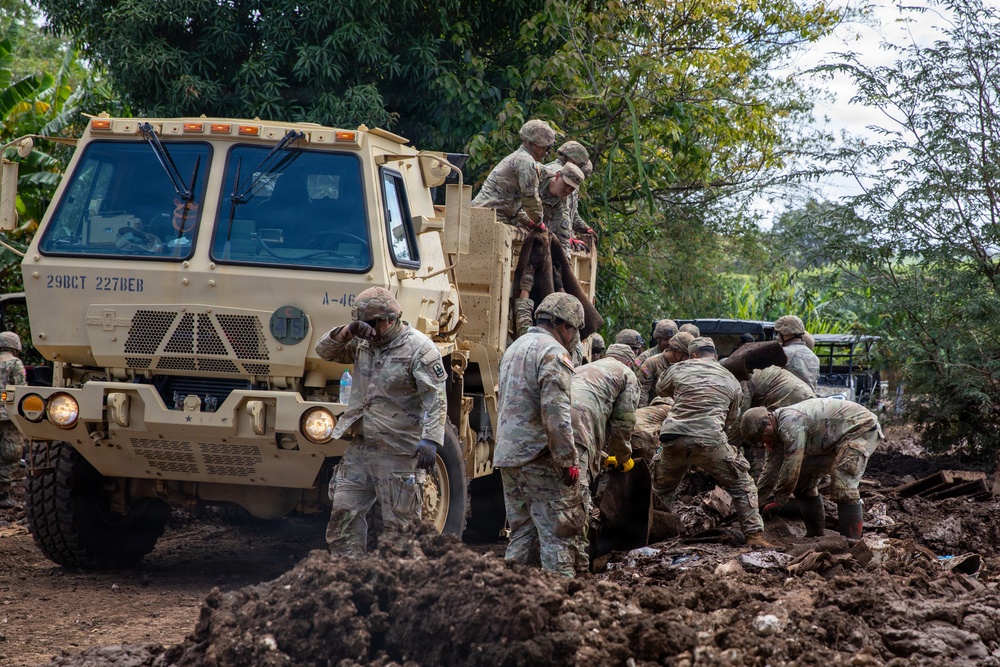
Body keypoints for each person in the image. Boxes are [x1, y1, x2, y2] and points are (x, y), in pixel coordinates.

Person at [315, 287, 448, 557]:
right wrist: (349, 330)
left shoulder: (419, 349)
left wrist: (431, 439)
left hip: (398, 452)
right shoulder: (363, 342)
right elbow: (324, 351)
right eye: (362, 324)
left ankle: (402, 587)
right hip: (362, 448)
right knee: (343, 517)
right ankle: (347, 580)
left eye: (372, 324)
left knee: (401, 530)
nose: (368, 331)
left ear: (389, 319)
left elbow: (436, 399)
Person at [496, 292, 586, 577]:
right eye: (575, 330)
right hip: (539, 458)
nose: (574, 338)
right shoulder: (553, 353)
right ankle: (558, 602)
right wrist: (568, 460)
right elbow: (556, 412)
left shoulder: (516, 347)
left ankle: (507, 592)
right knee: (558, 534)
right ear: (565, 326)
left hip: (509, 457)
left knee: (521, 532)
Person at [653, 337, 770, 547]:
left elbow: (661, 389)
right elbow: (732, 418)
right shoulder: (731, 379)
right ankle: (754, 536)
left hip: (673, 438)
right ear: (715, 356)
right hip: (710, 440)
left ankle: (653, 534)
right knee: (742, 484)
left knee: (662, 490)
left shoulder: (680, 367)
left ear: (694, 355)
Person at [740, 397, 884, 539]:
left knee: (843, 482)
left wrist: (779, 500)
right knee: (803, 483)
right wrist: (753, 508)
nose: (763, 444)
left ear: (768, 425)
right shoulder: (776, 435)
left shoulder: (790, 424)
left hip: (860, 428)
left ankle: (852, 542)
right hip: (832, 440)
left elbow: (792, 467)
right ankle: (815, 535)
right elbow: (769, 473)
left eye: (761, 439)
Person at [570, 342, 640, 572]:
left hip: (552, 425)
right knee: (577, 504)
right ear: (629, 362)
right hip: (578, 431)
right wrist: (623, 457)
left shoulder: (584, 369)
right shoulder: (627, 374)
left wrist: (600, 456)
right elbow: (623, 425)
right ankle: (578, 569)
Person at [471, 119, 555, 231]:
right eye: (545, 147)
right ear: (531, 143)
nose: (546, 152)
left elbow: (509, 204)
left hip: (485, 215)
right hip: (489, 218)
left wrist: (529, 222)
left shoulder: (518, 157)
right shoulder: (526, 161)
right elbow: (530, 198)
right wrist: (539, 222)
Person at [545, 141, 595, 249]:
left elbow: (571, 211)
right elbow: (558, 213)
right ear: (573, 160)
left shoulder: (568, 177)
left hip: (555, 235)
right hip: (550, 236)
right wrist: (567, 237)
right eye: (580, 165)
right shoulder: (558, 174)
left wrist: (585, 228)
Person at [0, 332, 25, 509]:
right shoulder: (14, 363)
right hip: (7, 415)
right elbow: (21, 390)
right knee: (10, 453)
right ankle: (3, 494)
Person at [636, 331, 693, 408]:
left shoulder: (687, 365)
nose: (688, 359)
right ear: (676, 351)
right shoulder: (651, 363)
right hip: (656, 409)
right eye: (686, 355)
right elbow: (642, 391)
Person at [539, 162, 586, 250]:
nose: (567, 190)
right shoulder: (537, 177)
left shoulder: (561, 206)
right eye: (566, 184)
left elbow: (563, 239)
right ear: (557, 176)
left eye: (572, 188)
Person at [774, 315, 820, 390]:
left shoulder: (784, 353)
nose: (777, 337)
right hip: (810, 399)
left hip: (789, 399)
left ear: (785, 334)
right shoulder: (814, 356)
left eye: (779, 333)